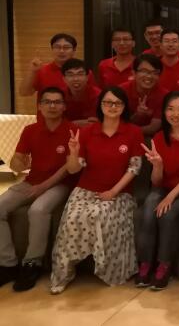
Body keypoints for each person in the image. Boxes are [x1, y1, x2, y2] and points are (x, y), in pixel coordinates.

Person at [50, 86, 144, 294]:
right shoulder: (87, 132)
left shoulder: (133, 132)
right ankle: (64, 274)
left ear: (124, 107)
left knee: (101, 215)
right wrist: (73, 152)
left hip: (119, 192)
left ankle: (111, 270)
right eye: (108, 102)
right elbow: (74, 169)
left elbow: (134, 168)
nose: (112, 106)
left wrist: (113, 192)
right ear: (100, 105)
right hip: (85, 190)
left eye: (117, 103)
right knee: (72, 219)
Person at [0, 87, 75, 292]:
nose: (52, 106)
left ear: (64, 106)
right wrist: (17, 163)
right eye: (47, 102)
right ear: (40, 106)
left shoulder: (72, 131)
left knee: (38, 209)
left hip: (60, 184)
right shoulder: (30, 130)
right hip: (31, 181)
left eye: (57, 102)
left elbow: (67, 169)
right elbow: (17, 163)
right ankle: (7, 264)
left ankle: (32, 263)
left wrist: (43, 187)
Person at [135, 92, 179, 290]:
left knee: (168, 213)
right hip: (165, 188)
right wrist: (157, 165)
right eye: (170, 109)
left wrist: (170, 197)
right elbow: (156, 181)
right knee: (148, 208)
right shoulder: (159, 138)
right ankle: (145, 264)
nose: (176, 114)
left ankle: (164, 265)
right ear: (164, 112)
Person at [18, 33, 94, 97]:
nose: (61, 51)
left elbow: (93, 96)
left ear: (74, 50)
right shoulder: (42, 71)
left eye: (66, 47)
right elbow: (24, 93)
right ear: (52, 49)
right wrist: (32, 71)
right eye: (57, 47)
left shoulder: (83, 73)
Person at [120, 54, 167, 136]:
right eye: (144, 71)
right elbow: (118, 124)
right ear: (134, 73)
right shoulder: (121, 91)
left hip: (151, 137)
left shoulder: (164, 95)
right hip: (122, 135)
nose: (149, 76)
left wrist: (129, 131)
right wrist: (137, 115)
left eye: (154, 72)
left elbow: (153, 128)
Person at [61, 58, 100, 126]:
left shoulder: (98, 95)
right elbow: (57, 123)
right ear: (64, 79)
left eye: (80, 74)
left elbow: (97, 123)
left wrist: (70, 124)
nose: (76, 79)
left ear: (87, 77)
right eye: (70, 75)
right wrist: (77, 123)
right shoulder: (60, 96)